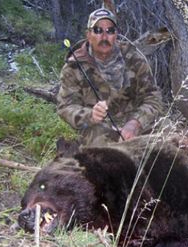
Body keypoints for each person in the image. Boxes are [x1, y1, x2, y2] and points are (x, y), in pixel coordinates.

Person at [57, 8, 163, 146]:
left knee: (166, 140)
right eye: (98, 30)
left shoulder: (134, 58)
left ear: (116, 34)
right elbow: (65, 107)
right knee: (103, 150)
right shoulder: (74, 66)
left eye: (110, 31)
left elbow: (153, 97)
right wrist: (90, 115)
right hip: (98, 128)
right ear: (88, 34)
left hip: (135, 124)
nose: (104, 36)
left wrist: (135, 122)